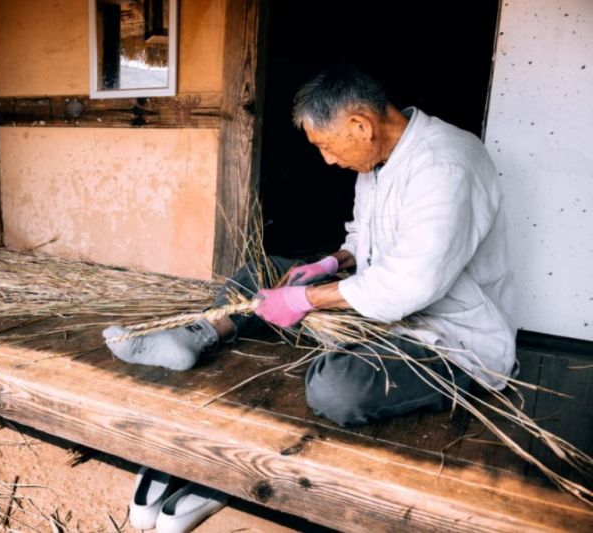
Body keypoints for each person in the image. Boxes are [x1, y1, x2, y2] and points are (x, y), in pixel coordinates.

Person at [104, 61, 517, 427]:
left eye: (325, 145)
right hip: (383, 306)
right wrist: (330, 264)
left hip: (450, 335)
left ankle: (370, 359)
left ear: (361, 126)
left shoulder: (446, 164)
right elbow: (362, 236)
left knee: (336, 388)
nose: (329, 160)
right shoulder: (378, 158)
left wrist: (309, 300)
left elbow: (410, 285)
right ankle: (196, 335)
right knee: (264, 271)